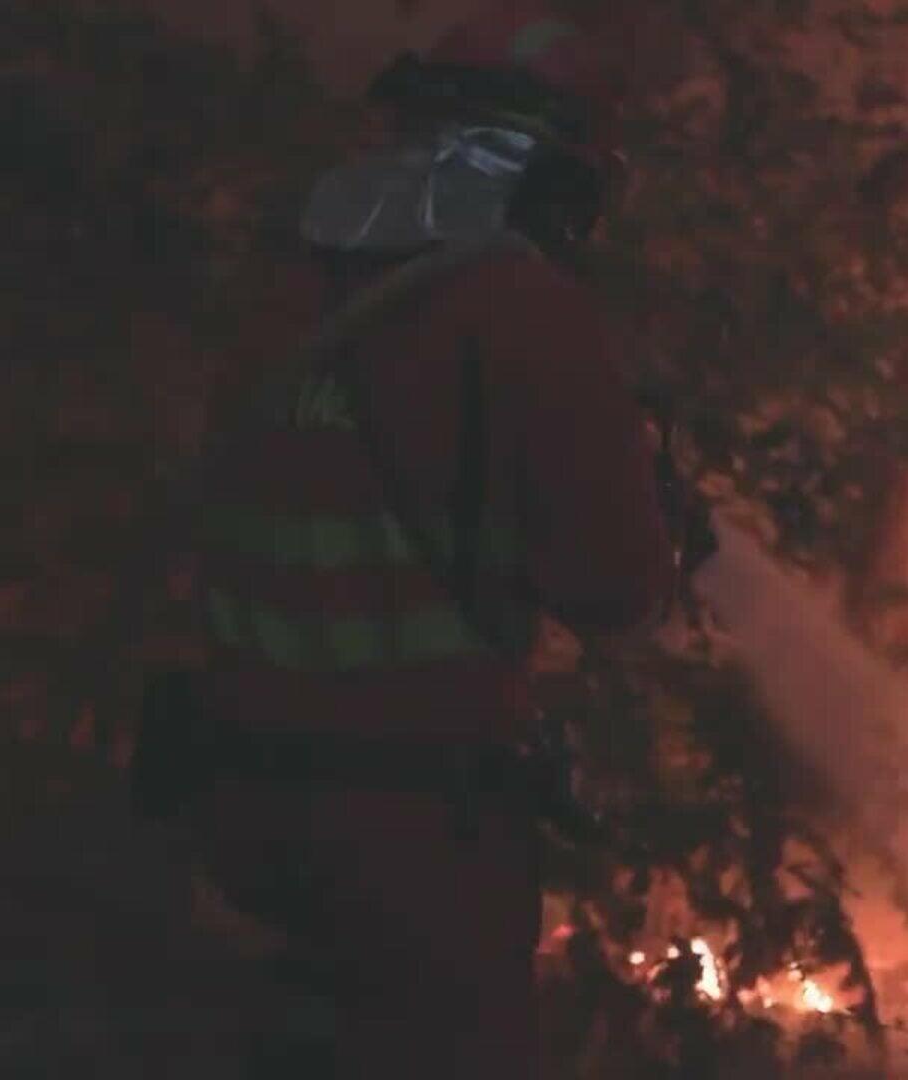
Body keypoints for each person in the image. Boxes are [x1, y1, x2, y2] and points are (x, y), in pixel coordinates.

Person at [181, 7, 676, 1076]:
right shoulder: (519, 309)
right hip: (413, 836)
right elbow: (618, 588)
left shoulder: (282, 298)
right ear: (553, 170)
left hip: (227, 804)